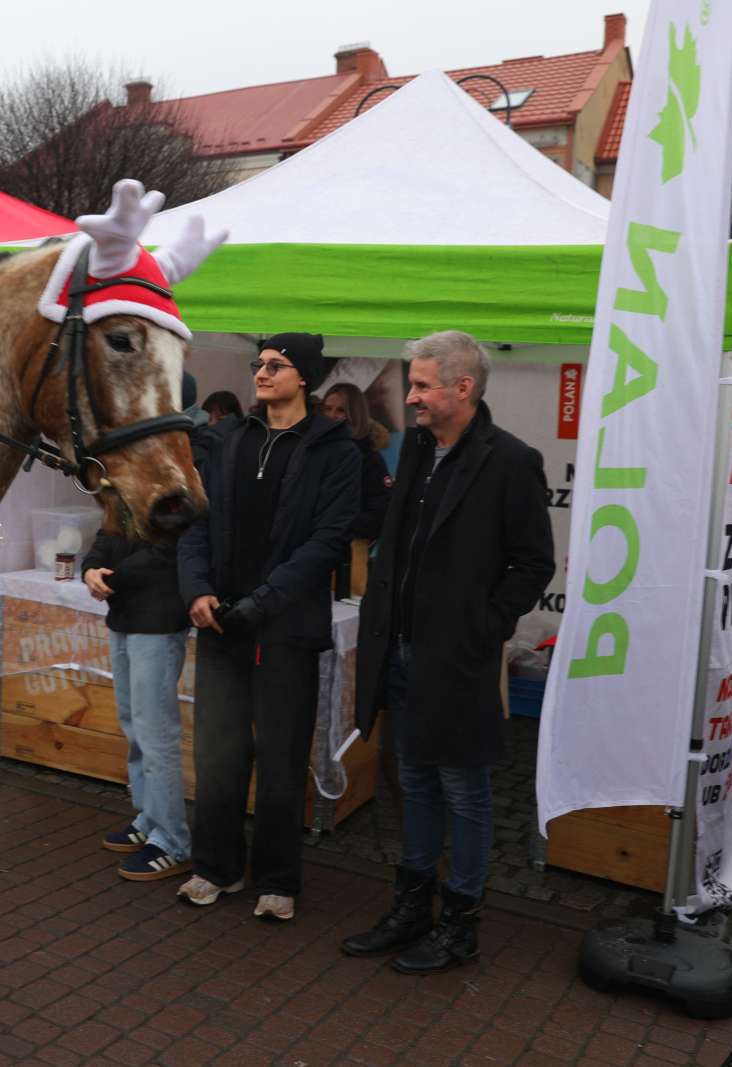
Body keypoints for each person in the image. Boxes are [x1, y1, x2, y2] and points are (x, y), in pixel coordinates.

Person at [342, 330, 554, 973]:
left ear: (463, 388)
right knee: (414, 780)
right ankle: (411, 910)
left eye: (421, 385)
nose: (410, 396)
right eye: (411, 384)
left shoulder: (511, 461)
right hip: (399, 650)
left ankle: (460, 925)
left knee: (464, 791)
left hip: (457, 657)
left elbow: (533, 563)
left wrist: (483, 626)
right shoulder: (416, 450)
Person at [175, 332, 360, 921]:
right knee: (217, 754)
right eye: (258, 363)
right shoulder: (230, 437)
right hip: (221, 623)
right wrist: (196, 589)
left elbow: (327, 541)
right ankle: (216, 868)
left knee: (281, 758)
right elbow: (196, 522)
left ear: (303, 376)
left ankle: (278, 878)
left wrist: (264, 601)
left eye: (275, 365)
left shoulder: (335, 450)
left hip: (285, 630)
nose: (260, 372)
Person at [84, 516, 192, 882]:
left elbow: (166, 549)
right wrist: (90, 570)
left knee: (155, 732)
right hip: (124, 616)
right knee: (133, 724)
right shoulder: (122, 494)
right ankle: (150, 817)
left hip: (159, 620)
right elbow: (106, 534)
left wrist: (109, 579)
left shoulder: (174, 491)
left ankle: (173, 840)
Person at [322, 382, 393, 598]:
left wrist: (338, 523)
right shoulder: (310, 453)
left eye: (341, 410)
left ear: (355, 414)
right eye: (327, 408)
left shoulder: (370, 461)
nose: (332, 415)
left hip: (349, 558)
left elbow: (379, 515)